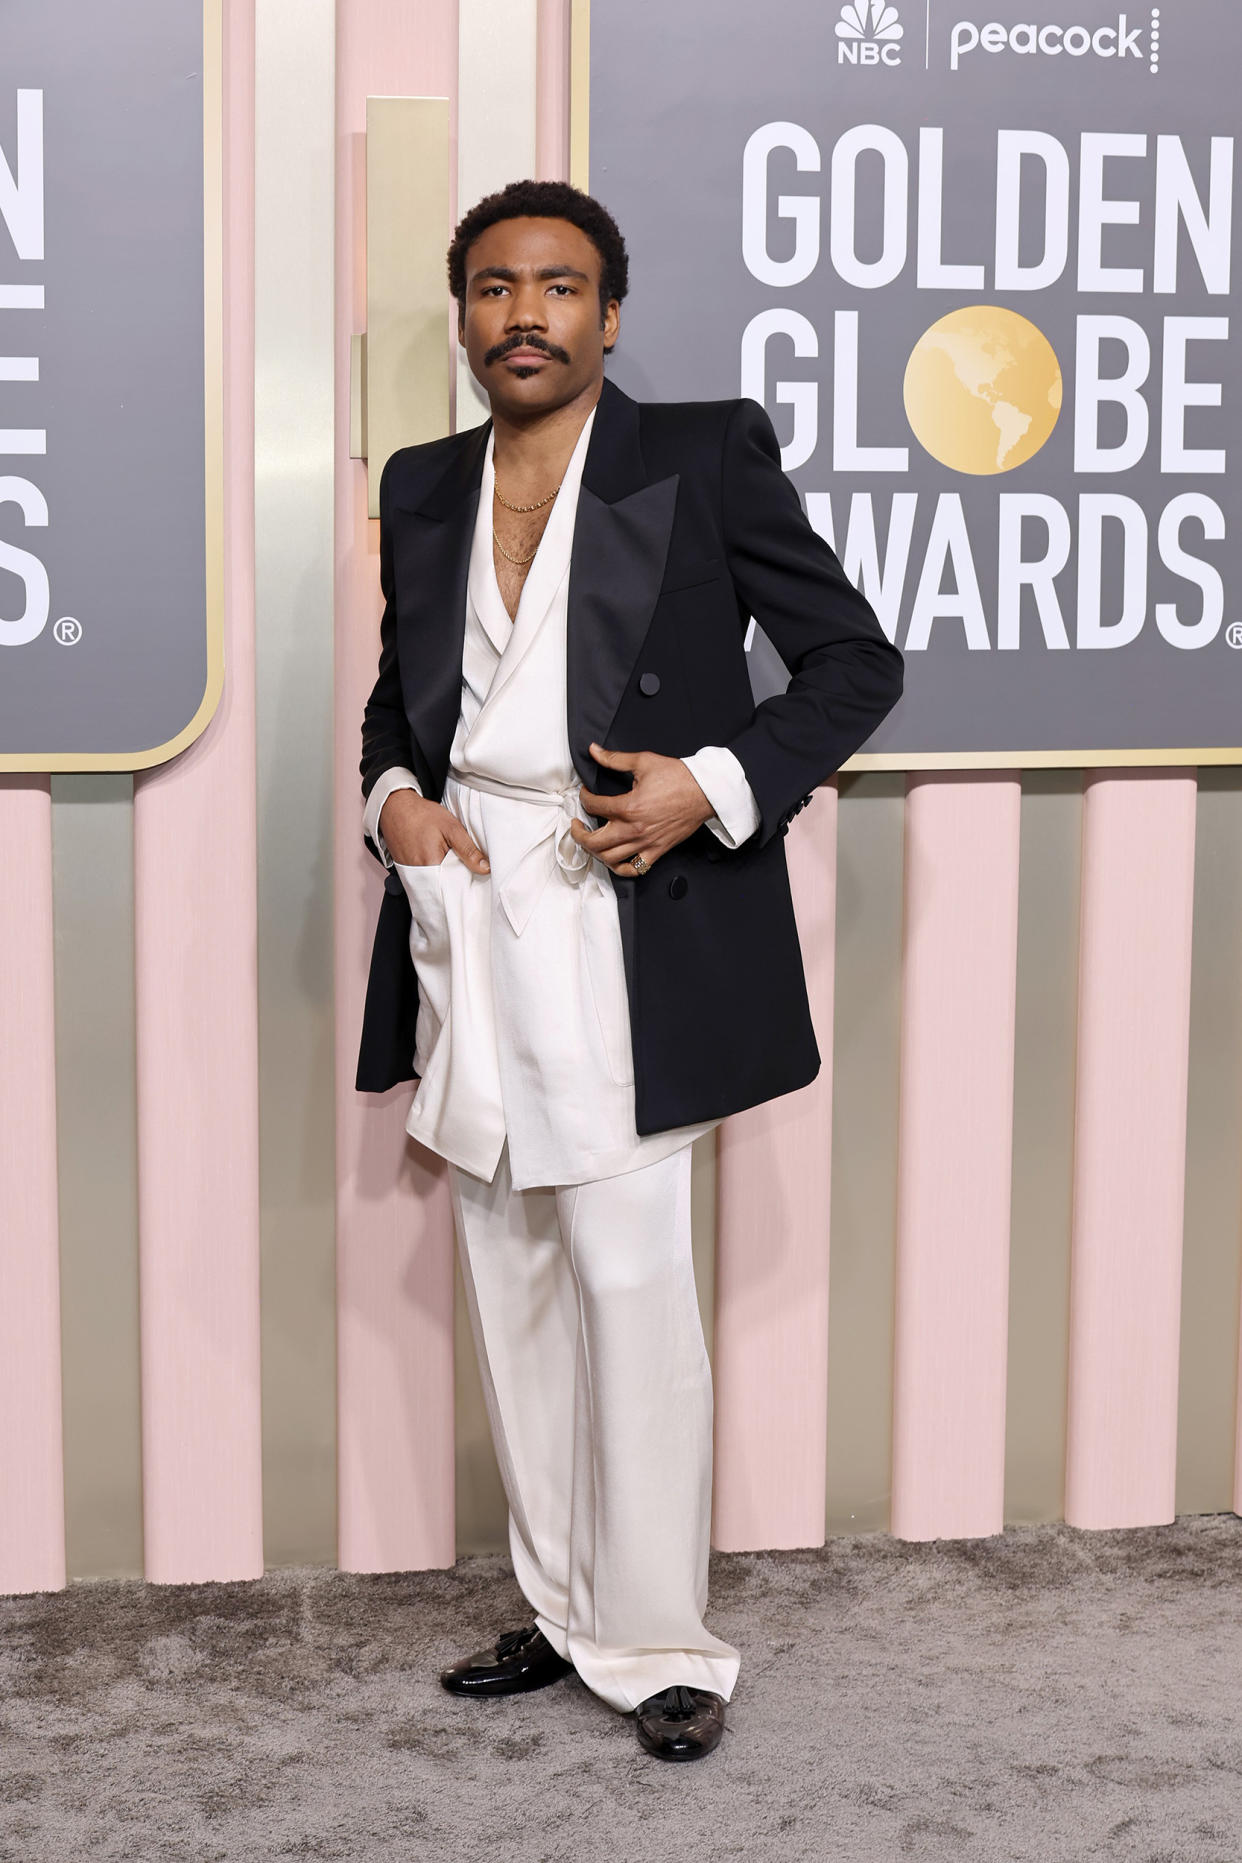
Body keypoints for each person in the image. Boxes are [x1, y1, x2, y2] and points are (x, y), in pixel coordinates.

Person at [356, 179, 903, 1763]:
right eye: (492, 287)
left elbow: (852, 662)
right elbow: (406, 701)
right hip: (469, 908)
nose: (523, 313)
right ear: (460, 313)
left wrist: (708, 788)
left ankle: (660, 1636)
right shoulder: (419, 481)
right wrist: (392, 804)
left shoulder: (701, 450)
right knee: (507, 1273)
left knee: (630, 1280)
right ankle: (559, 1597)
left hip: (625, 910)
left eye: (559, 287)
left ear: (608, 313)